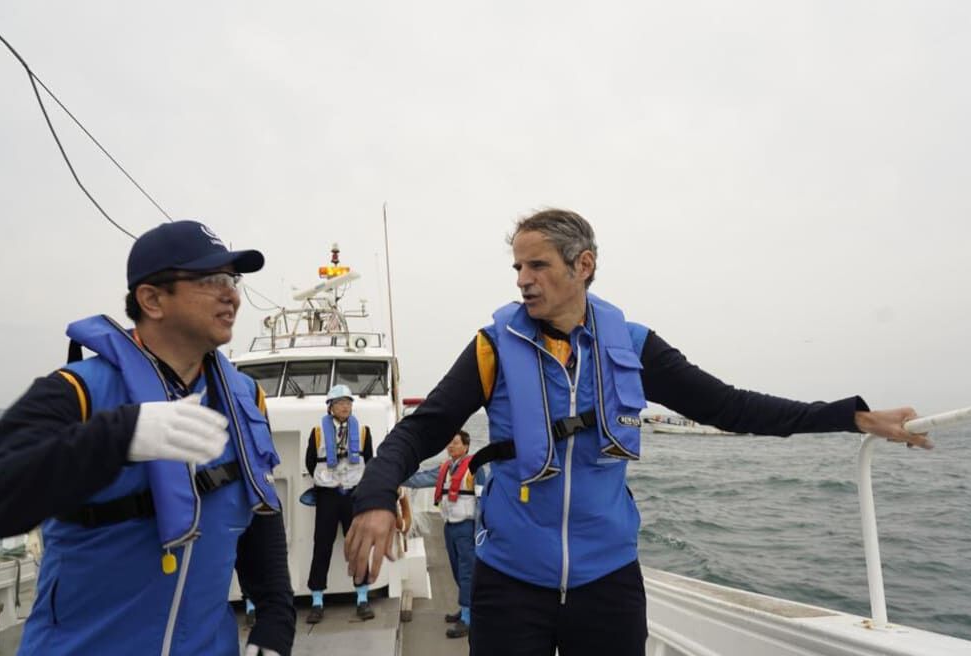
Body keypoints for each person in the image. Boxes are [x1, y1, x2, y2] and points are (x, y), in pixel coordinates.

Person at [343, 209, 932, 656]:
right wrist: (374, 496)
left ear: (584, 265)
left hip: (607, 580)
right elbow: (424, 428)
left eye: (538, 265)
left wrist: (850, 416)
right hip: (510, 578)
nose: (523, 279)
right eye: (517, 267)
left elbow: (732, 408)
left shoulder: (635, 347)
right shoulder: (494, 346)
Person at [0, 220, 295, 656]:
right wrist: (119, 436)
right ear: (152, 299)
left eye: (232, 280)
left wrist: (275, 621)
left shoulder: (245, 397)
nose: (232, 294)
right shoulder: (75, 392)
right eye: (212, 280)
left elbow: (256, 504)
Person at [402, 430, 486, 639]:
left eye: (455, 443)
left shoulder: (476, 468)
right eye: (449, 443)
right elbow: (419, 479)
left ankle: (468, 618)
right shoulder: (445, 469)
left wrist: (480, 531)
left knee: (467, 572)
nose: (450, 447)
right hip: (449, 527)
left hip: (467, 528)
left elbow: (483, 501)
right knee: (457, 570)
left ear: (466, 447)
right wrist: (396, 475)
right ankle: (466, 607)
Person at [304, 383, 375, 623]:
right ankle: (316, 600)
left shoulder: (363, 432)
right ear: (330, 408)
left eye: (348, 402)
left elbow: (370, 460)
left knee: (358, 545)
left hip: (353, 494)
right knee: (321, 544)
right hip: (327, 495)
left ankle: (362, 598)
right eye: (341, 403)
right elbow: (310, 461)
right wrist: (329, 481)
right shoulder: (317, 432)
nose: (346, 406)